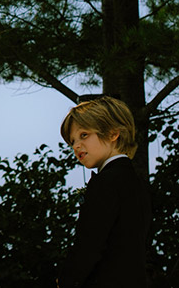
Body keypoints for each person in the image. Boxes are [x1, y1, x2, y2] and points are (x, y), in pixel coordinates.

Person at [57, 96, 150, 288]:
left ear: (113, 133)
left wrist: (66, 281)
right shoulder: (136, 182)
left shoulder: (105, 182)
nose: (76, 146)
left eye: (84, 135)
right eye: (72, 141)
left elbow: (89, 245)